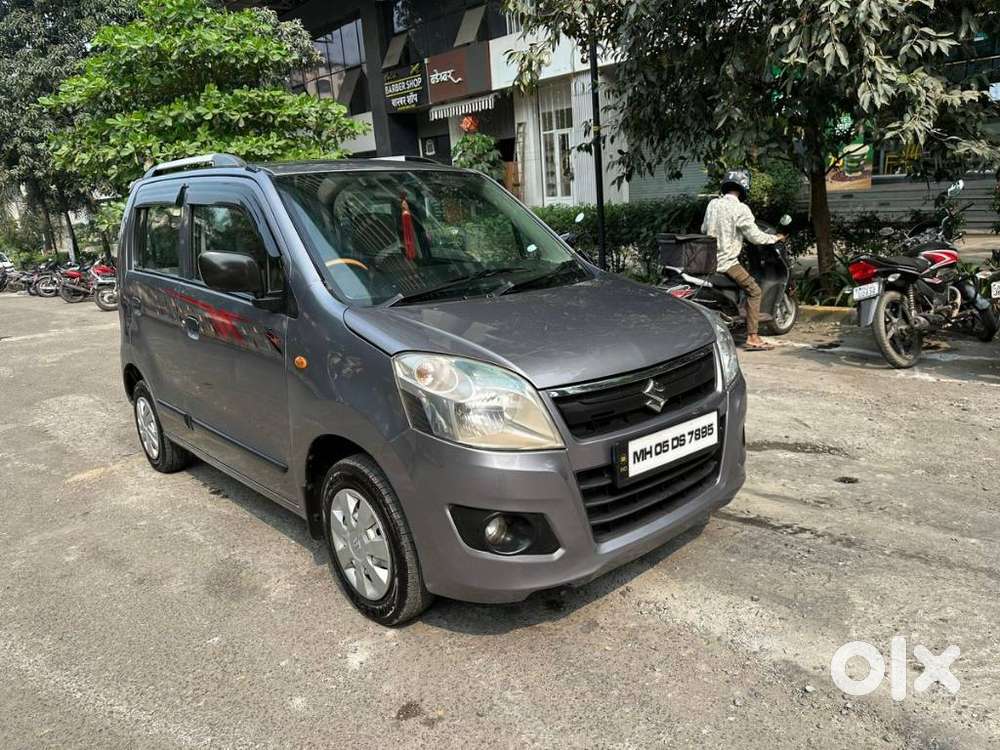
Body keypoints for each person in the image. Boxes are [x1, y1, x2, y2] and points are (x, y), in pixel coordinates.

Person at [701, 170, 786, 351]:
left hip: (707, 261)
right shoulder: (741, 209)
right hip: (727, 262)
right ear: (743, 187)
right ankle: (753, 337)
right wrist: (774, 238)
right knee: (754, 291)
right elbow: (755, 237)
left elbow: (703, 229)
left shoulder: (712, 204)